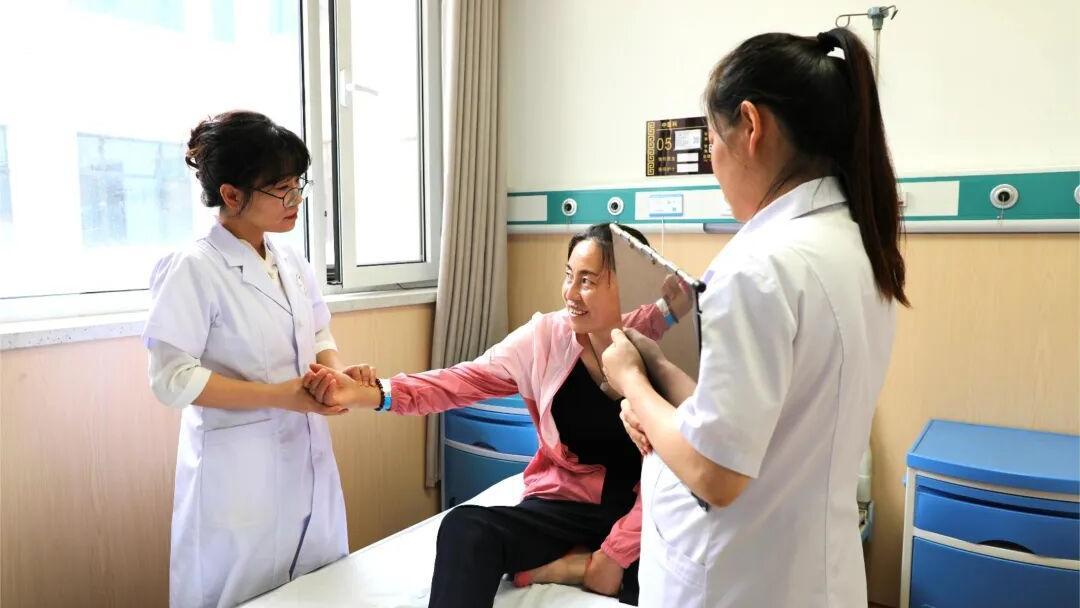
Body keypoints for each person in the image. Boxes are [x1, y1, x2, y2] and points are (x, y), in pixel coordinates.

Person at [602, 28, 908, 607]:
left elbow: (715, 474)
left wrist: (631, 381)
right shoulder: (858, 246)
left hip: (737, 580)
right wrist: (662, 373)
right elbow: (763, 411)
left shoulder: (757, 268)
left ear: (750, 125)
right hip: (812, 573)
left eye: (712, 140)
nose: (714, 165)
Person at [304, 223, 690, 607]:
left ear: (626, 286)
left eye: (587, 281)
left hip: (643, 507)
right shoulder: (545, 339)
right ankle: (576, 561)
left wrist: (614, 554)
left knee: (678, 575)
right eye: (568, 275)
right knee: (466, 530)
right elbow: (460, 381)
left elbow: (675, 466)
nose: (570, 293)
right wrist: (373, 393)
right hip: (565, 503)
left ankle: (571, 566)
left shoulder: (660, 346)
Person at [143, 110, 366, 607]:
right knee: (239, 594)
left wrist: (335, 373)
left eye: (298, 184)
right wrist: (281, 396)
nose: (296, 199)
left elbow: (316, 329)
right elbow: (172, 379)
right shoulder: (193, 267)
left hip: (305, 457)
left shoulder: (291, 261)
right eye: (281, 188)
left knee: (318, 589)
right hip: (237, 477)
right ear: (231, 194)